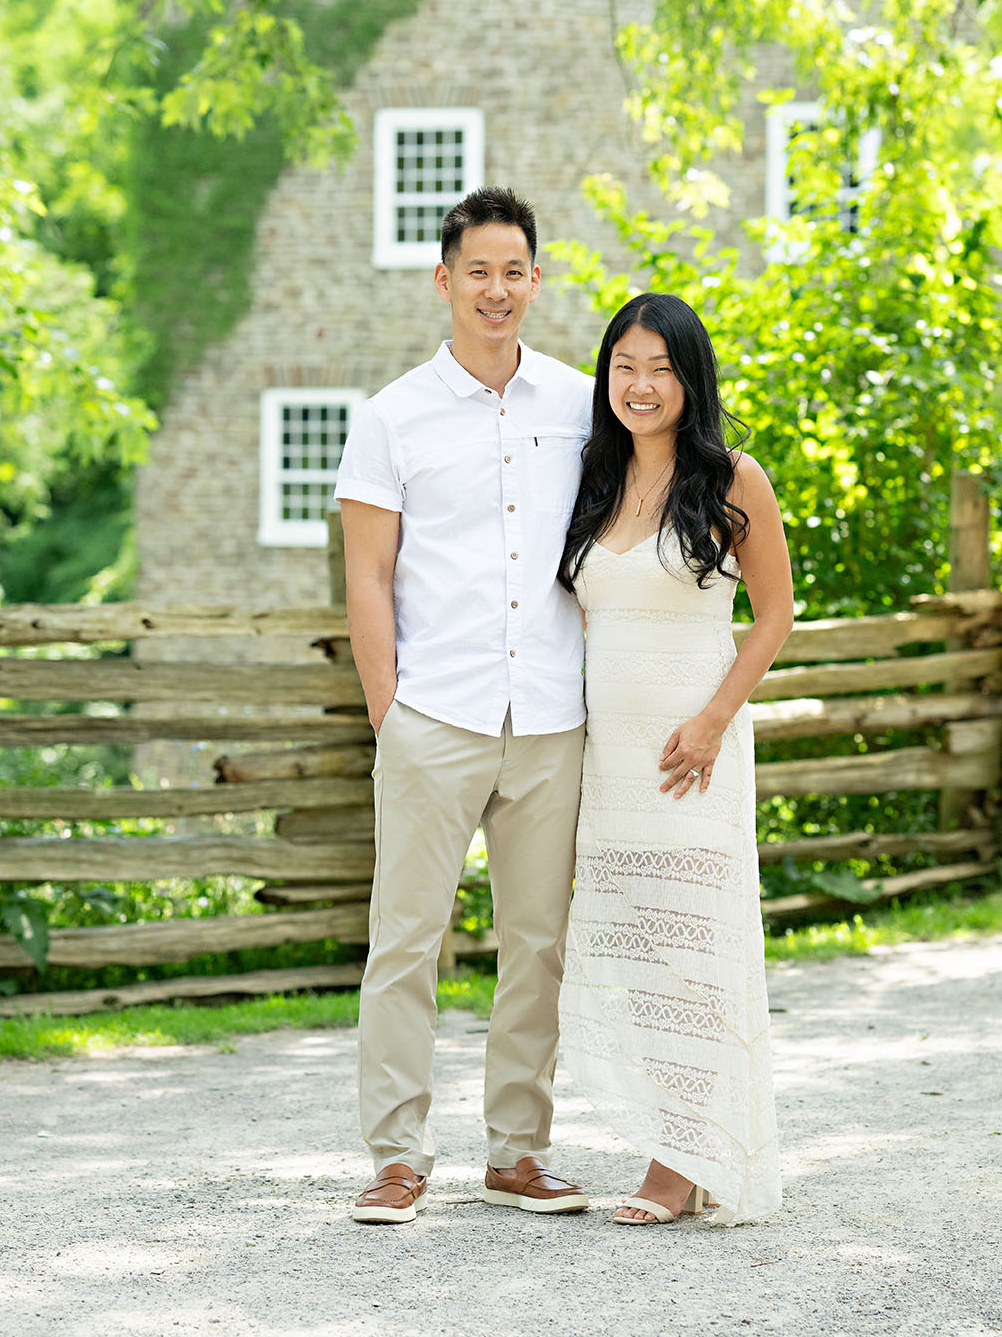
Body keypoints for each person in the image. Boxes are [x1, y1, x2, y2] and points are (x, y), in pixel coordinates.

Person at [336, 186, 593, 1224]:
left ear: (536, 280)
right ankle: (397, 1155)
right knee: (404, 940)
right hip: (433, 715)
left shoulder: (581, 404)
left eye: (513, 270)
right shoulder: (388, 417)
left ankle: (516, 1151)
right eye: (476, 271)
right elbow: (365, 576)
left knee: (538, 943)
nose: (496, 289)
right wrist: (386, 709)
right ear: (444, 282)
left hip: (547, 717)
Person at [557, 291, 793, 1226]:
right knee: (645, 951)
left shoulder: (736, 479)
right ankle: (682, 1140)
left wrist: (712, 720)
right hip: (610, 761)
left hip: (692, 752)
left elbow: (772, 615)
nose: (641, 385)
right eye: (625, 366)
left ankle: (678, 1161)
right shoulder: (594, 480)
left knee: (694, 949)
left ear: (691, 378)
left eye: (661, 368)